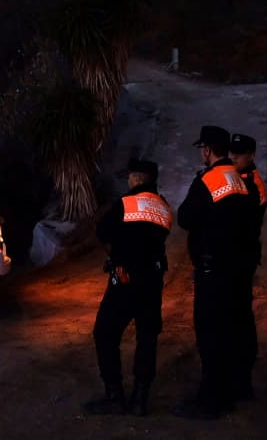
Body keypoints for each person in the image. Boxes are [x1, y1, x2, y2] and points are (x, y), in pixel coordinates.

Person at [84, 158, 172, 416]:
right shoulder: (164, 206)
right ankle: (140, 399)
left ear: (137, 178)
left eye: (130, 176)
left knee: (105, 333)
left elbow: (102, 232)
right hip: (153, 281)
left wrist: (117, 256)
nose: (128, 180)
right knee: (147, 338)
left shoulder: (125, 203)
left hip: (125, 279)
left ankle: (115, 395)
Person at [173, 125, 250, 420]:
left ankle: (209, 401)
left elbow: (185, 217)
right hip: (233, 266)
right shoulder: (238, 179)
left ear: (207, 149)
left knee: (209, 334)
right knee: (227, 331)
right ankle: (226, 393)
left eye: (202, 149)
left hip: (212, 268)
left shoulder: (209, 179)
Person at [228, 132, 267, 401]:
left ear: (251, 155)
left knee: (240, 317)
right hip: (237, 256)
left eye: (238, 154)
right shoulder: (238, 178)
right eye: (231, 153)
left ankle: (242, 380)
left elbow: (245, 222)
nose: (233, 158)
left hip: (241, 259)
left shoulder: (253, 184)